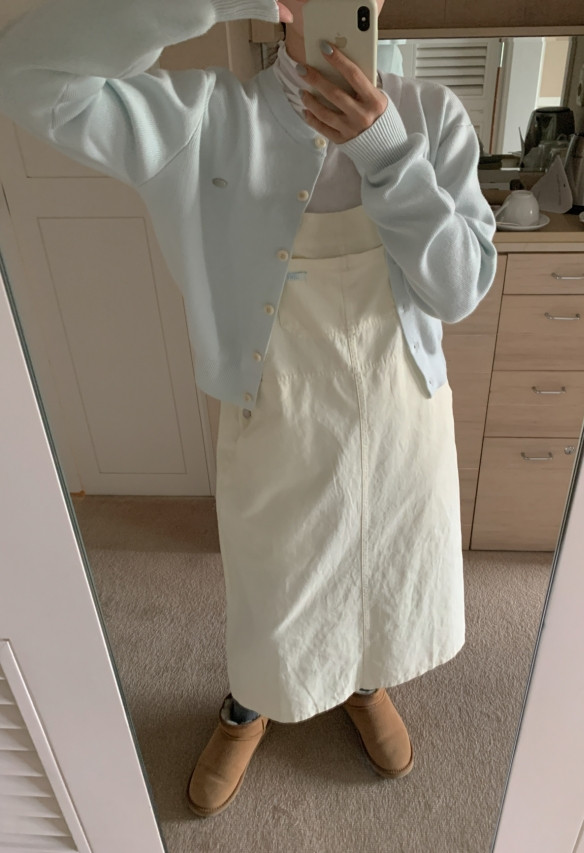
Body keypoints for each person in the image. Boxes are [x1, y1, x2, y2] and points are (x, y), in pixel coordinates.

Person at [0, 0, 497, 818]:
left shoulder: (433, 116)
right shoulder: (206, 118)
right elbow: (24, 72)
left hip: (402, 409)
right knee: (274, 584)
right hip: (279, 415)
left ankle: (363, 681)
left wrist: (383, 148)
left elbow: (459, 287)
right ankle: (250, 701)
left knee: (388, 567)